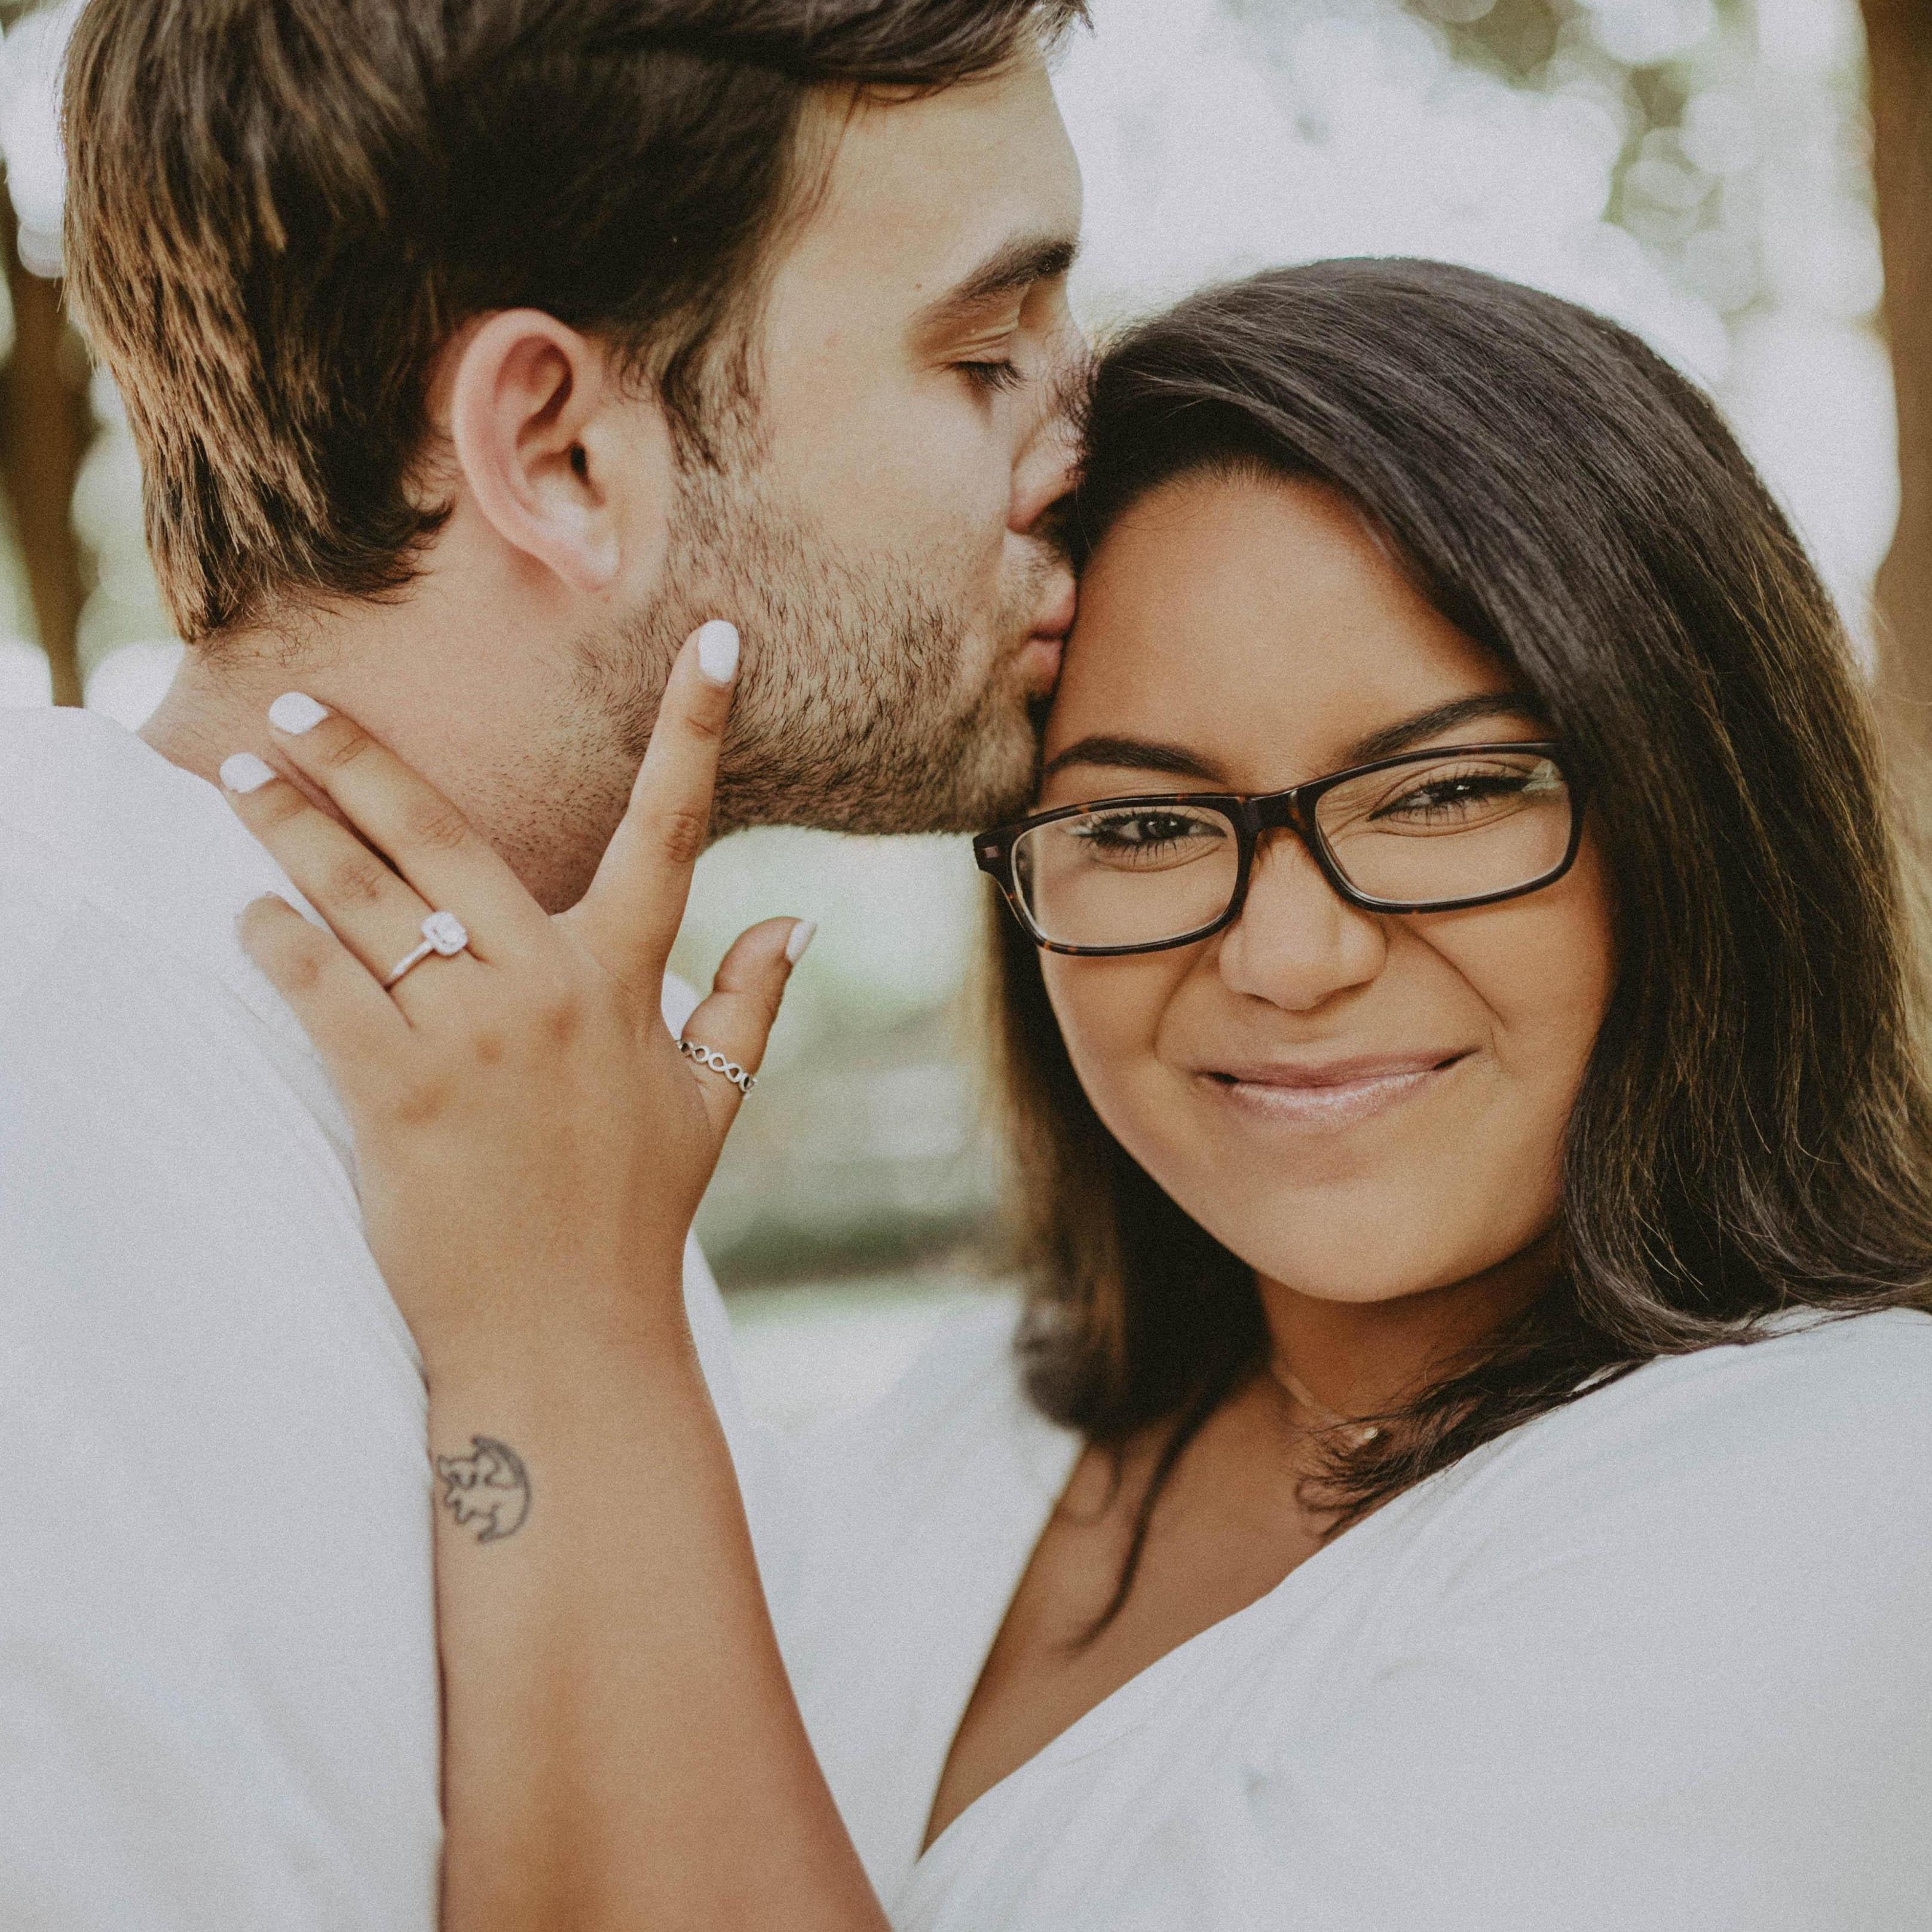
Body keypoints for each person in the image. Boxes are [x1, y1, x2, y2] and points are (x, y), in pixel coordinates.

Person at [233, 258, 1932, 1931]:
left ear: (1702, 804)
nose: (1287, 954)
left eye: (1445, 792)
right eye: (1137, 823)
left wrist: (567, 1314)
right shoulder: (980, 1419)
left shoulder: (1851, 1492)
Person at [0, 1, 1084, 1922]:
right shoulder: (62, 1143)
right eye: (986, 353)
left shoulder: (530, 1068)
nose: (1079, 439)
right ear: (562, 449)